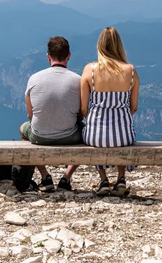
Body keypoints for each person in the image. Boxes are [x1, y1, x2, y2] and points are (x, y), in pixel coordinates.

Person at [80, 26, 139, 197]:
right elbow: (133, 106)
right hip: (123, 135)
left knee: (97, 136)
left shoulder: (89, 70)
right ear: (119, 46)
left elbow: (84, 108)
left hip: (95, 135)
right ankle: (121, 178)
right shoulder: (131, 71)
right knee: (120, 135)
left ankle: (104, 179)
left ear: (100, 46)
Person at [19, 36, 83, 191]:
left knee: (23, 129)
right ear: (69, 55)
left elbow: (30, 115)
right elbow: (81, 115)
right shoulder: (78, 80)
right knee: (88, 132)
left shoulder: (34, 79)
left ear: (48, 56)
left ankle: (45, 176)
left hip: (39, 136)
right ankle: (66, 177)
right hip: (70, 137)